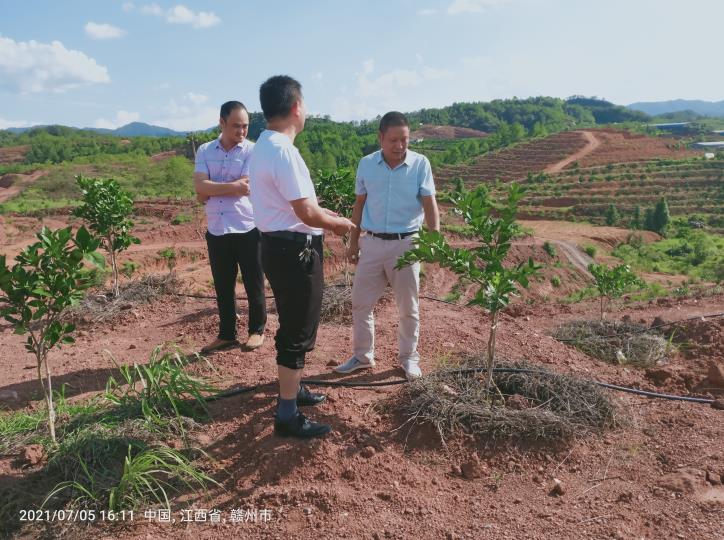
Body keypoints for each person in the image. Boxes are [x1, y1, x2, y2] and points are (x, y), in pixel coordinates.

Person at [249, 75, 355, 439]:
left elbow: (299, 206)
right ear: (296, 107)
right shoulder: (283, 152)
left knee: (293, 322)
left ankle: (295, 390)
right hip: (295, 250)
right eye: (305, 103)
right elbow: (308, 213)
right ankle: (287, 414)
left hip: (275, 246)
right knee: (298, 329)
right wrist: (341, 224)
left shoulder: (262, 146)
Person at [334, 111, 440, 379]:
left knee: (408, 307)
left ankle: (408, 358)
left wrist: (433, 239)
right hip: (372, 243)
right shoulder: (366, 165)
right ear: (381, 138)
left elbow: (430, 204)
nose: (400, 146)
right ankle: (362, 356)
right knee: (360, 304)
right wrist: (353, 242)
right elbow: (359, 205)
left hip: (406, 244)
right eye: (393, 140)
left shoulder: (420, 164)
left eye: (404, 140)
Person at [194, 101, 266, 354]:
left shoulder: (253, 151)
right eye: (236, 125)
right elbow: (200, 187)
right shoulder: (204, 150)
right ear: (222, 123)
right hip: (217, 227)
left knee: (253, 282)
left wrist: (211, 188)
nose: (242, 131)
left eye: (245, 126)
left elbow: (245, 186)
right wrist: (229, 187)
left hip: (247, 226)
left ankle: (257, 330)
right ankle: (226, 334)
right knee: (222, 284)